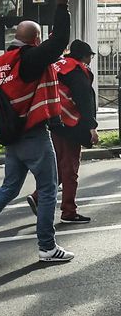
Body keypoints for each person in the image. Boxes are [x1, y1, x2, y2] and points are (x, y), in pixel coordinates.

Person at [0, 0, 76, 264]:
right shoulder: (29, 59)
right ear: (35, 40)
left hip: (11, 135)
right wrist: (61, 5)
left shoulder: (0, 63)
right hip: (33, 134)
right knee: (49, 188)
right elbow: (60, 40)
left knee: (9, 187)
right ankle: (47, 247)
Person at [42, 39, 97, 223]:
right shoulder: (78, 71)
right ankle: (69, 211)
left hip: (55, 119)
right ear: (84, 56)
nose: (90, 60)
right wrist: (92, 127)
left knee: (60, 163)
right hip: (72, 123)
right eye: (90, 56)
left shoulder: (58, 65)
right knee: (71, 168)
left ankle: (37, 197)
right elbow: (85, 101)